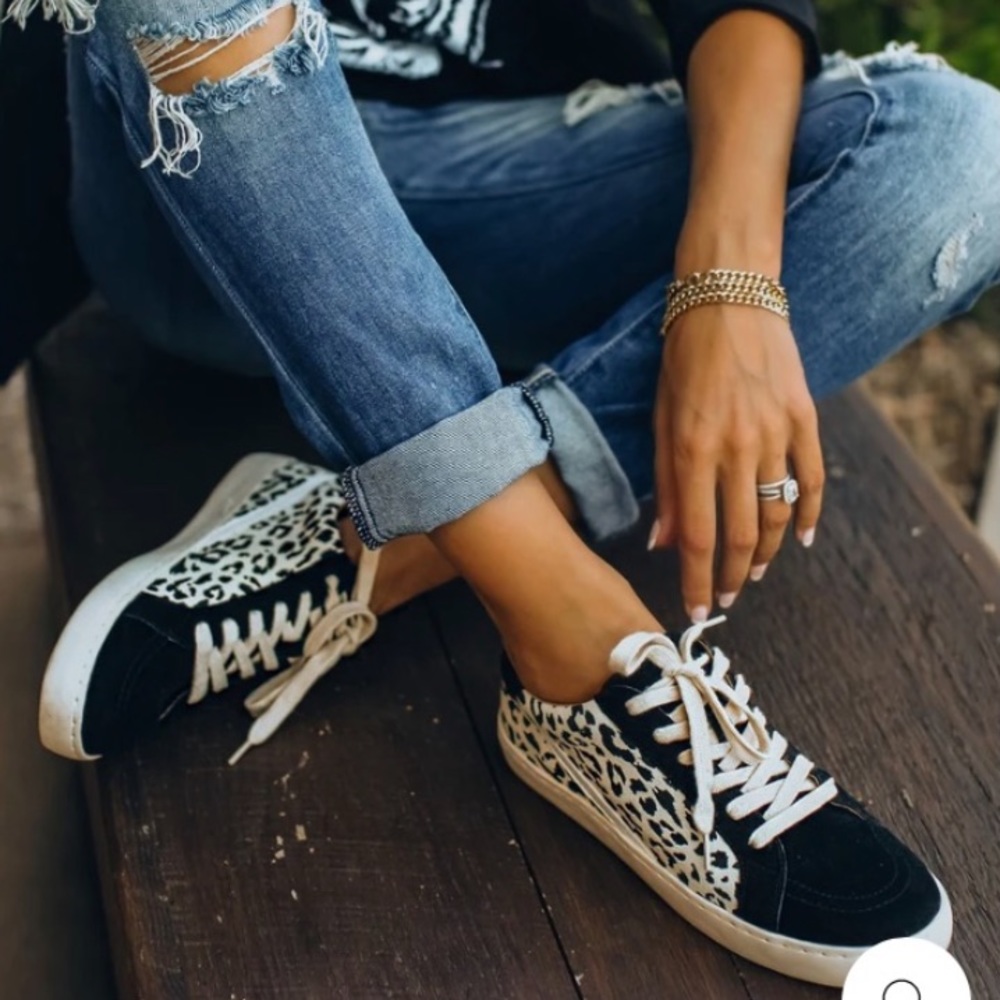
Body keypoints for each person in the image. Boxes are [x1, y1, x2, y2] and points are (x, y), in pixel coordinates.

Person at [10, 0, 999, 986]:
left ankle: (409, 536)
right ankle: (565, 628)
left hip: (494, 179)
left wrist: (728, 280)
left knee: (961, 150)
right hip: (194, 178)